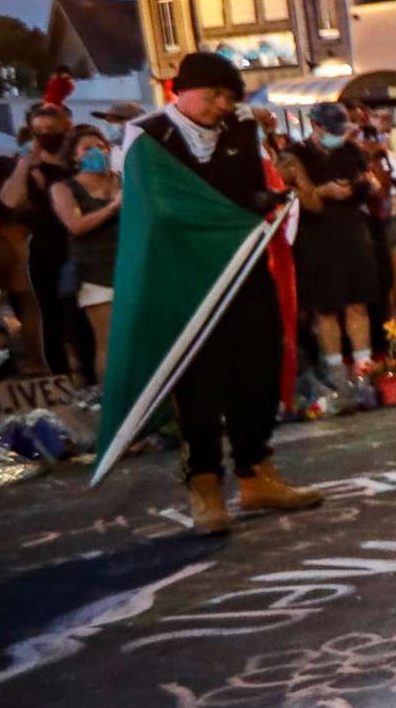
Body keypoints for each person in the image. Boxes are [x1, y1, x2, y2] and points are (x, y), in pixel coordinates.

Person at [130, 53, 322, 534]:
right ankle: (205, 483)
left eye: (229, 96)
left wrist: (266, 198)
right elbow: (159, 207)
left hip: (245, 267)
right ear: (184, 89)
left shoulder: (239, 130)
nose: (221, 105)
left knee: (257, 366)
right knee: (199, 380)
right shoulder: (149, 136)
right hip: (188, 277)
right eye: (213, 94)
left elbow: (251, 186)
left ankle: (256, 470)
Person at [279, 102, 385, 382]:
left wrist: (365, 185)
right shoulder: (295, 155)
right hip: (316, 238)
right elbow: (291, 193)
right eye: (333, 130)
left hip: (353, 232)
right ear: (315, 126)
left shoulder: (352, 151)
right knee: (325, 307)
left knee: (357, 302)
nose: (339, 136)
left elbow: (372, 182)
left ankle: (364, 367)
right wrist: (323, 191)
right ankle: (335, 369)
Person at [0, 100, 91, 377]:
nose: (46, 135)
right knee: (52, 316)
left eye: (52, 128)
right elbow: (9, 201)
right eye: (39, 130)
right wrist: (25, 165)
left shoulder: (80, 162)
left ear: (66, 127)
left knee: (84, 314)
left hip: (83, 244)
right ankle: (60, 377)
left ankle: (90, 373)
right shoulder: (30, 166)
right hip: (47, 248)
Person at [49, 124, 123, 372]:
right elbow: (76, 226)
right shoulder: (64, 188)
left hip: (131, 269)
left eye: (101, 147)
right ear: (74, 155)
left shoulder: (123, 180)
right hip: (95, 274)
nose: (96, 152)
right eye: (87, 148)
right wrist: (113, 207)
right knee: (108, 343)